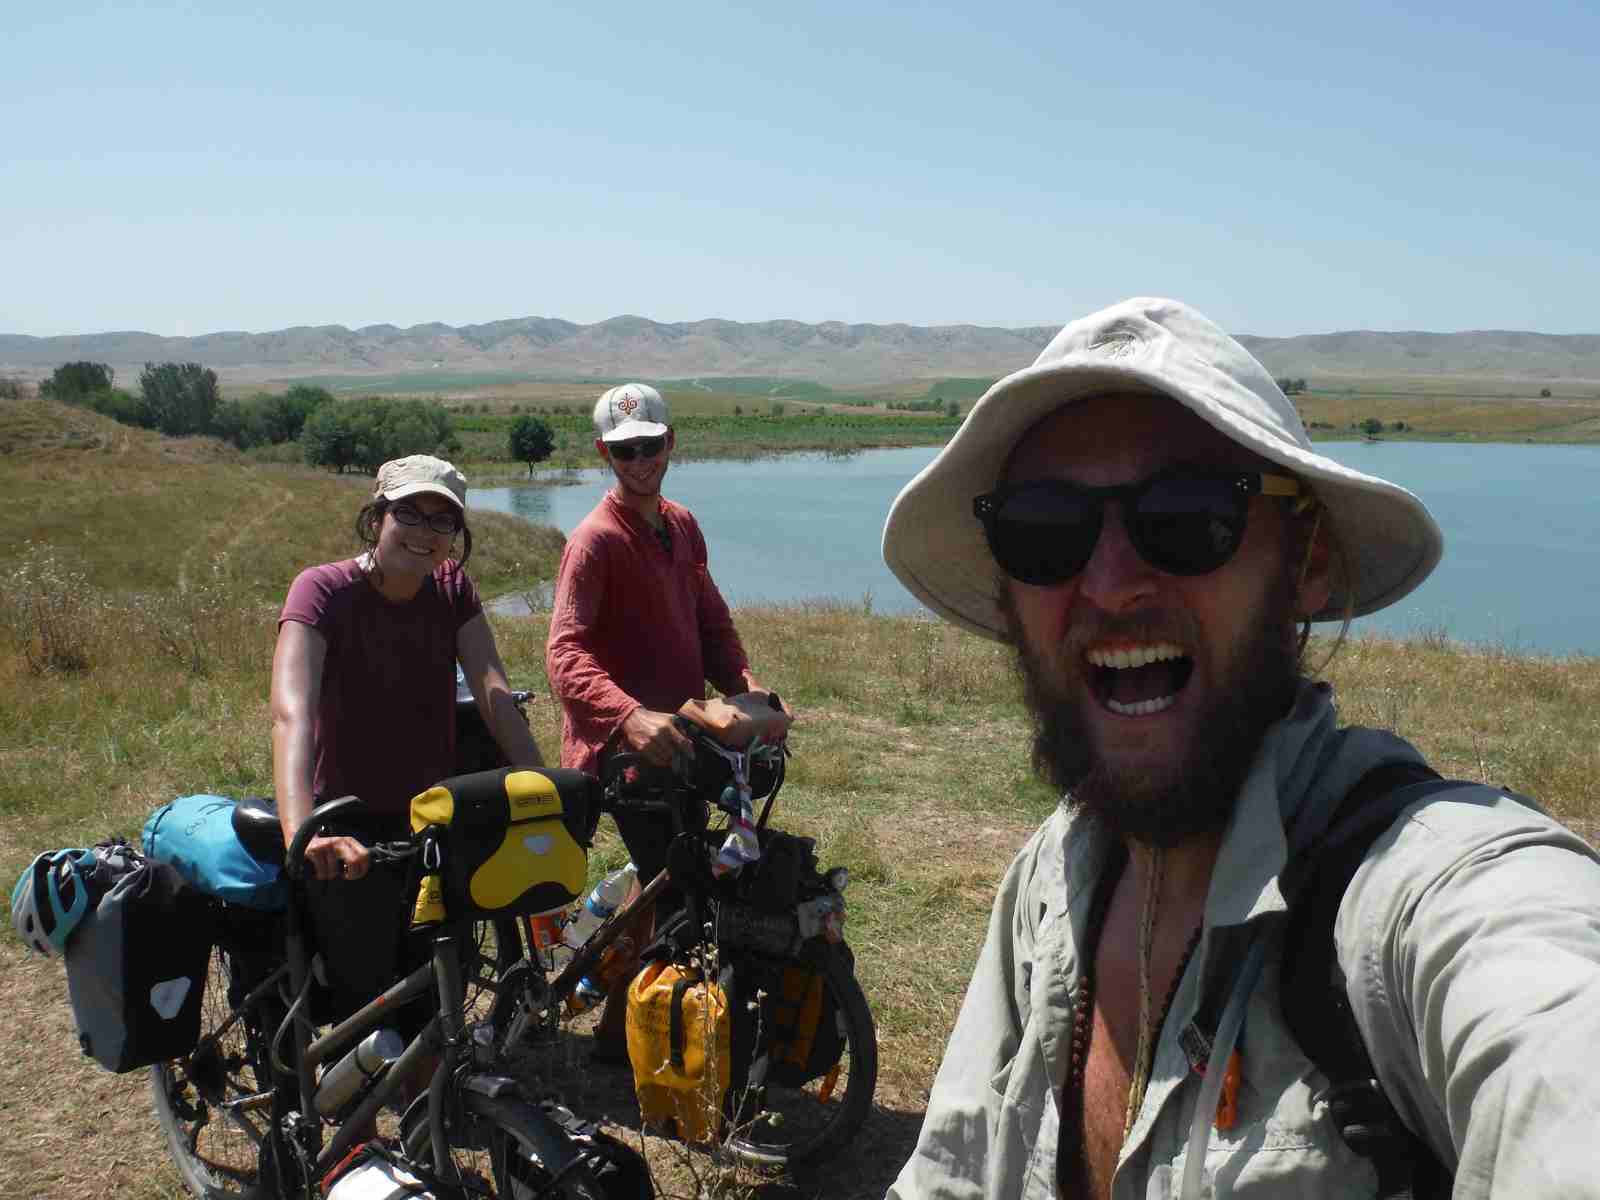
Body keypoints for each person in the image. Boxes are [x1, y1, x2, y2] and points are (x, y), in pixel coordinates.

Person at [879, 297, 1600, 1198]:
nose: (1109, 585)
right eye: (1044, 530)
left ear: (1307, 563)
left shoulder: (1420, 899)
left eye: (1187, 517)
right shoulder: (1050, 884)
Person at [546, 382, 783, 1058]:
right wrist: (628, 716)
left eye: (649, 446)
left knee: (676, 882)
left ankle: (623, 1026)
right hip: (623, 749)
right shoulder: (594, 542)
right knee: (675, 885)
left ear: (670, 443)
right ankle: (638, 1033)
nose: (640, 460)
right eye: (625, 452)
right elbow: (564, 653)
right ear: (605, 454)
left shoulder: (680, 525)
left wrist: (745, 687)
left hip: (683, 738)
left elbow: (711, 621)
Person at [271, 453, 544, 1030]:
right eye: (409, 514)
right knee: (362, 993)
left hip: (430, 816)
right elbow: (291, 714)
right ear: (378, 517)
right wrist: (300, 832)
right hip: (344, 818)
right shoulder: (321, 590)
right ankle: (349, 1106)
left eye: (442, 521)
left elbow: (493, 691)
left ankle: (428, 1105)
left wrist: (544, 788)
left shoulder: (451, 588)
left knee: (435, 979)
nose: (425, 533)